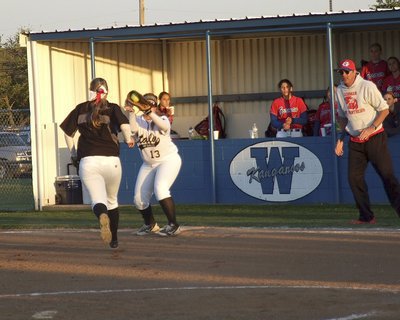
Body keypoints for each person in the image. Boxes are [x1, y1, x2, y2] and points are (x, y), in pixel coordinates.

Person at [60, 78, 134, 248]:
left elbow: (68, 134)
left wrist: (73, 155)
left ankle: (101, 215)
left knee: (98, 200)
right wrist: (129, 139)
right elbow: (124, 126)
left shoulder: (81, 108)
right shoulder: (113, 107)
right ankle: (114, 240)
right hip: (112, 160)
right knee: (113, 201)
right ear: (106, 91)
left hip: (88, 161)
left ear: (91, 91)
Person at [334, 59, 400, 224]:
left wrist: (371, 128)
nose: (343, 75)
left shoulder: (367, 86)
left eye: (346, 71)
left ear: (354, 72)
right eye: (341, 72)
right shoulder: (340, 90)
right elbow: (342, 117)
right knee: (353, 178)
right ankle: (366, 216)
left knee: (387, 176)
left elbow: (384, 110)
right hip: (355, 141)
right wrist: (341, 139)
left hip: (375, 138)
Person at [125, 91, 182, 236]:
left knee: (161, 188)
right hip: (148, 164)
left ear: (155, 107)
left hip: (168, 160)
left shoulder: (162, 118)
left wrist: (149, 111)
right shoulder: (138, 120)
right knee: (138, 199)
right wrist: (131, 112)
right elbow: (133, 129)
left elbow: (164, 126)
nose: (149, 106)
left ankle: (173, 224)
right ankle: (150, 224)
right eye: (146, 103)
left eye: (152, 104)